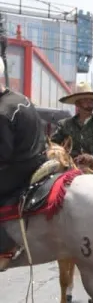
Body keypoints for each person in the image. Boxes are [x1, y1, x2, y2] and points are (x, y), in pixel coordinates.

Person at [0, 84, 47, 265]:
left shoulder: (2, 112)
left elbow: (3, 153)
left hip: (19, 167)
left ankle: (4, 246)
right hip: (38, 159)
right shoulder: (21, 98)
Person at [50, 81, 93, 169]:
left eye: (91, 101)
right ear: (77, 104)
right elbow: (53, 144)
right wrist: (61, 154)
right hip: (68, 168)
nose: (89, 104)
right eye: (85, 101)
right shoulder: (64, 125)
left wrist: (92, 157)